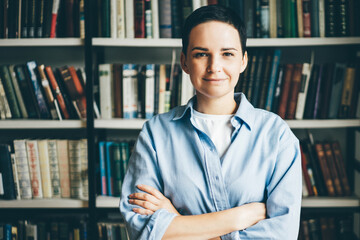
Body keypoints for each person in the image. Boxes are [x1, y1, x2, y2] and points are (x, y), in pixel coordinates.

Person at [120, 5, 301, 240]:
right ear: (185, 62)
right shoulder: (155, 133)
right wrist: (237, 218)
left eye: (227, 54)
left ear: (243, 61)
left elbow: (282, 235)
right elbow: (142, 229)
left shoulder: (276, 135)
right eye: (201, 54)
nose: (214, 66)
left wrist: (174, 218)